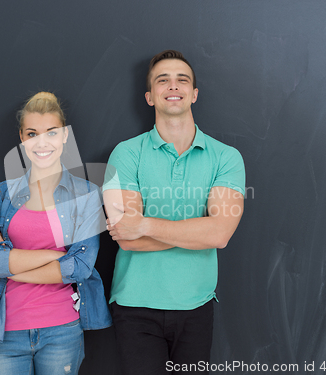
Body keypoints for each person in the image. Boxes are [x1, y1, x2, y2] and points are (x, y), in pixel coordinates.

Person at [103, 50, 246, 374]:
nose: (173, 86)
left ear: (194, 93)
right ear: (150, 96)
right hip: (134, 306)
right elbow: (126, 236)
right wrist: (198, 231)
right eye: (162, 80)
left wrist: (147, 224)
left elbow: (220, 234)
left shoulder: (226, 157)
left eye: (182, 80)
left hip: (196, 305)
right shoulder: (125, 154)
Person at [0, 92, 112, 375]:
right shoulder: (1, 194)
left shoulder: (85, 195)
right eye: (32, 133)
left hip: (62, 330)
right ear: (22, 139)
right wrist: (54, 256)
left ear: (65, 136)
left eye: (51, 132)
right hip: (7, 330)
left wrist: (10, 265)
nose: (42, 142)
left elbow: (80, 267)